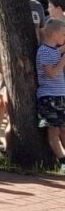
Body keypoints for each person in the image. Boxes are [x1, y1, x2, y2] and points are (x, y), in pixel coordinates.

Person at [35, 19, 65, 174]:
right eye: (63, 34)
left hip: (60, 95)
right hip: (49, 96)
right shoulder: (44, 51)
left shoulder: (54, 50)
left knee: (63, 128)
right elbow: (51, 73)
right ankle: (62, 161)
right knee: (53, 130)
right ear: (54, 35)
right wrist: (63, 61)